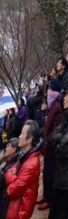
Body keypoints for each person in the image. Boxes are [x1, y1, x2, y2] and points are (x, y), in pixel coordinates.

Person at [33, 90, 68, 219]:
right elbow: (53, 137)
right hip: (59, 174)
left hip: (66, 177)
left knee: (61, 211)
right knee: (54, 209)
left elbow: (62, 149)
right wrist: (56, 140)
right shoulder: (65, 119)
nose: (65, 98)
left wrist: (56, 141)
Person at [37, 78, 63, 211]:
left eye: (50, 89)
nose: (48, 91)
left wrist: (47, 141)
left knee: (49, 174)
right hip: (47, 148)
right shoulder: (52, 105)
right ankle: (46, 196)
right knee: (46, 173)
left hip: (51, 149)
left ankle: (49, 199)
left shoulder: (57, 108)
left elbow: (56, 131)